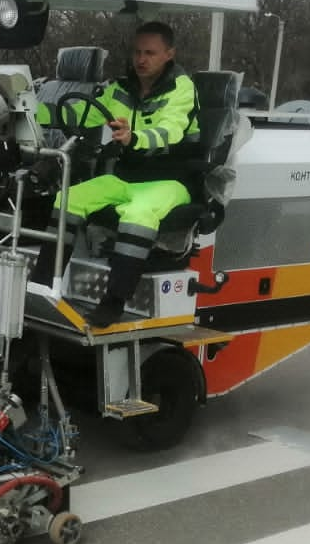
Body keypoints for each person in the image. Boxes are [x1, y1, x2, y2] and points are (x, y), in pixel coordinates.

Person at [34, 22, 199, 327]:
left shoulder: (182, 88)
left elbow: (171, 131)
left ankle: (113, 301)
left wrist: (134, 137)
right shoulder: (120, 88)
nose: (141, 59)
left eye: (150, 53)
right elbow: (82, 114)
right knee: (69, 197)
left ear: (169, 54)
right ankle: (41, 285)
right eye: (137, 52)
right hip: (126, 178)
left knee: (138, 213)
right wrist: (30, 111)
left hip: (171, 180)